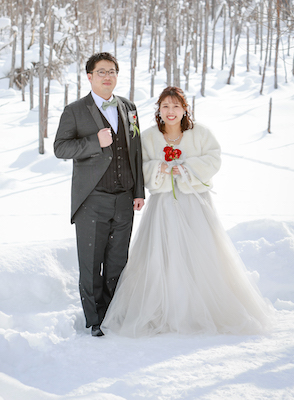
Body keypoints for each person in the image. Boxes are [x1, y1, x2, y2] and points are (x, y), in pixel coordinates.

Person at [102, 86, 273, 337]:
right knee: (164, 254)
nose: (170, 111)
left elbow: (213, 158)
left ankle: (200, 310)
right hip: (162, 206)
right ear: (159, 110)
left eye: (176, 106)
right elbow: (139, 165)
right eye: (165, 106)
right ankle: (166, 309)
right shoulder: (148, 137)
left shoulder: (200, 133)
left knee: (200, 252)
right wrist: (160, 168)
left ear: (185, 109)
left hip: (195, 203)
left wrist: (185, 168)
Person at [54, 52, 145, 337]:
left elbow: (136, 151)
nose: (107, 76)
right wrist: (95, 141)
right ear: (90, 76)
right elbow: (60, 148)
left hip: (125, 198)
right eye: (101, 72)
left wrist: (138, 190)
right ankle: (95, 320)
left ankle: (113, 315)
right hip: (92, 200)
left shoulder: (129, 107)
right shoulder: (74, 110)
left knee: (118, 262)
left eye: (112, 71)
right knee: (91, 263)